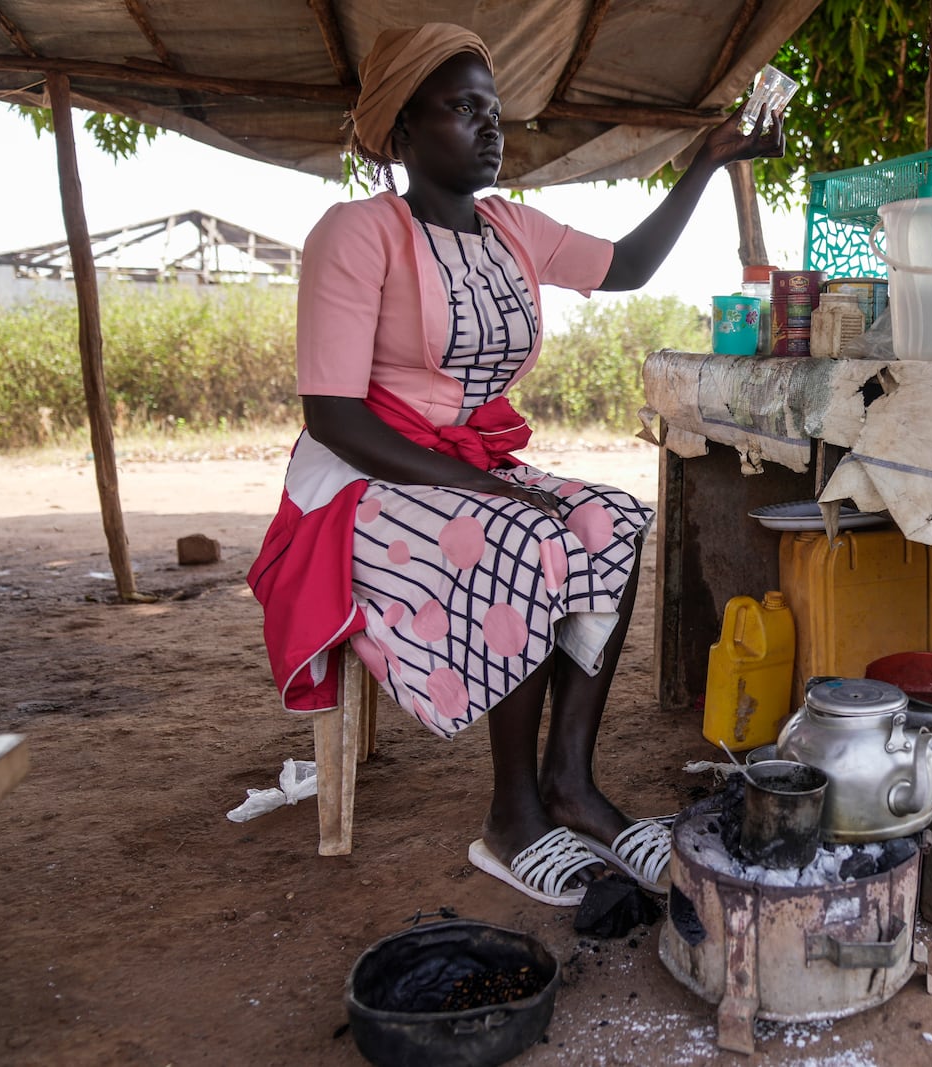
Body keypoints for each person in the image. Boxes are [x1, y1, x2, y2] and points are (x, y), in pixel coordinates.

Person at [247, 23, 783, 906]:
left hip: (459, 463)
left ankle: (570, 781)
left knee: (611, 520)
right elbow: (334, 415)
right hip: (359, 476)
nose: (490, 127)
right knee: (519, 535)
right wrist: (487, 490)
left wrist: (707, 163)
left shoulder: (510, 228)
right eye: (463, 109)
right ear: (404, 128)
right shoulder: (354, 233)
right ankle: (512, 815)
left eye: (493, 111)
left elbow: (629, 265)